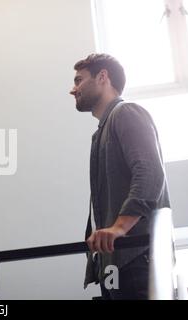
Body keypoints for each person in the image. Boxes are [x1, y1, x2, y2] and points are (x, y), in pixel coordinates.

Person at [69, 53, 170, 300]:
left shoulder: (126, 113)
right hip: (115, 265)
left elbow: (149, 173)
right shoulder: (101, 132)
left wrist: (119, 228)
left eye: (79, 80)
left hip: (137, 258)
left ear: (103, 77)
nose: (73, 89)